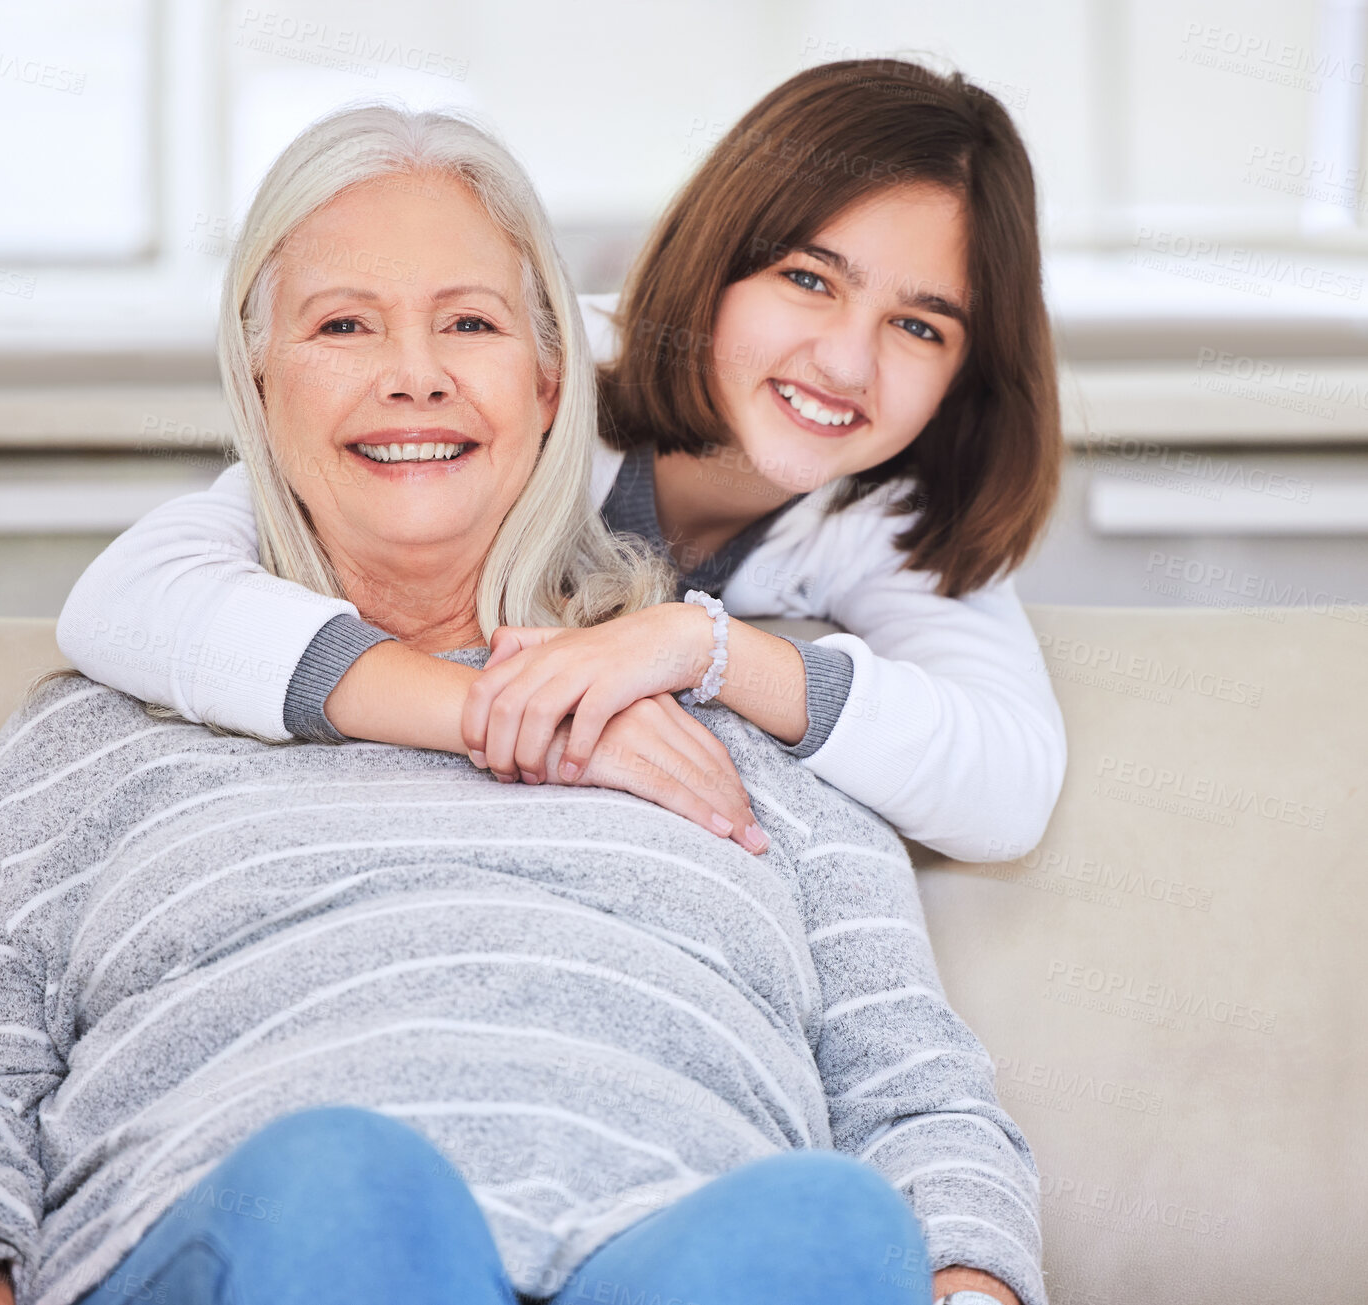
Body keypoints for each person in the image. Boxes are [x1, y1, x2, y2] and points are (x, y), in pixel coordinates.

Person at [0, 106, 1042, 1305]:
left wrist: (697, 653)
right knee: (346, 1192)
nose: (412, 376)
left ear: (548, 376)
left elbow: (918, 1099)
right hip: (283, 1249)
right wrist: (485, 709)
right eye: (343, 325)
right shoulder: (112, 713)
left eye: (467, 323)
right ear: (257, 382)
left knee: (826, 1221)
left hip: (673, 1261)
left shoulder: (760, 716)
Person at [55, 59, 1067, 866]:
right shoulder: (509, 375)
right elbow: (132, 596)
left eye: (919, 327)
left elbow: (1005, 791)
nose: (847, 361)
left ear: (967, 372)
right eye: (807, 278)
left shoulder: (899, 512)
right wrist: (510, 716)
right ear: (714, 259)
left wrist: (699, 646)